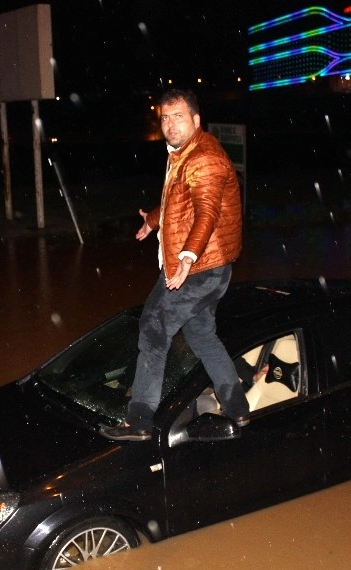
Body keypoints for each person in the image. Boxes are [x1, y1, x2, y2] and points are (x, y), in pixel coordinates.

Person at [101, 89, 247, 441]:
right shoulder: (184, 153)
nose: (170, 124)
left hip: (199, 269)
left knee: (153, 326)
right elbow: (176, 203)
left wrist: (187, 256)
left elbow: (207, 212)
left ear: (196, 120)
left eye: (178, 116)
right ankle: (238, 409)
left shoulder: (204, 159)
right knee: (201, 335)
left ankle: (139, 422)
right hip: (209, 266)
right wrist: (153, 221)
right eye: (165, 117)